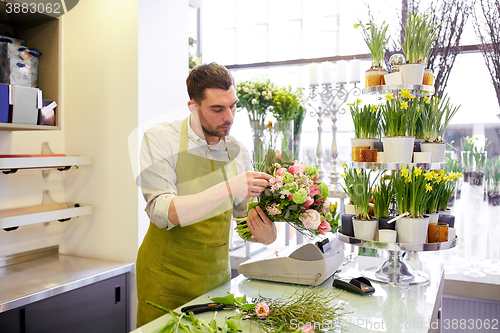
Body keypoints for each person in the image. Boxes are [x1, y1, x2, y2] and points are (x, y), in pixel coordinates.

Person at [136, 63, 277, 326]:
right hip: (166, 279)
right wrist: (228, 187)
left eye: (233, 105)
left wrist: (266, 235)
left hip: (216, 278)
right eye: (217, 109)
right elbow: (163, 212)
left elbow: (245, 220)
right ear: (193, 106)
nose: (229, 116)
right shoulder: (159, 139)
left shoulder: (238, 151)